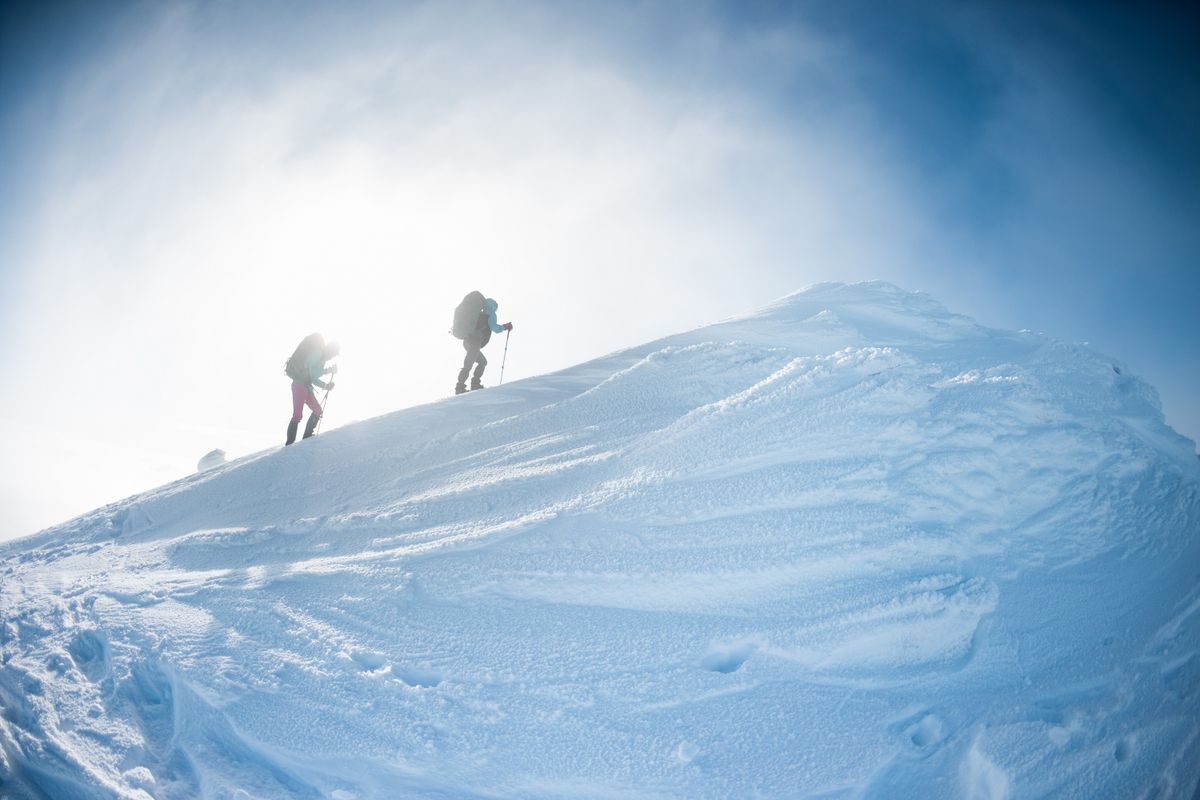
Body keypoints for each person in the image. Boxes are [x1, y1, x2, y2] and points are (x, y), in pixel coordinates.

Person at [284, 333, 339, 445]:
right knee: (297, 415)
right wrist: (329, 370)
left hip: (306, 386)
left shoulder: (322, 359)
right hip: (299, 385)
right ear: (330, 350)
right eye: (334, 354)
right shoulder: (317, 354)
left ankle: (307, 437)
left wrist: (326, 386)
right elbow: (313, 373)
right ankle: (289, 444)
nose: (333, 356)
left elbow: (313, 378)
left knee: (317, 410)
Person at [455, 296, 512, 394]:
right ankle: (460, 387)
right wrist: (505, 327)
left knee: (482, 362)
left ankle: (474, 384)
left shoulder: (479, 313)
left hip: (467, 341)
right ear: (493, 306)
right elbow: (495, 328)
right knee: (469, 363)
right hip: (475, 341)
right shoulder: (490, 314)